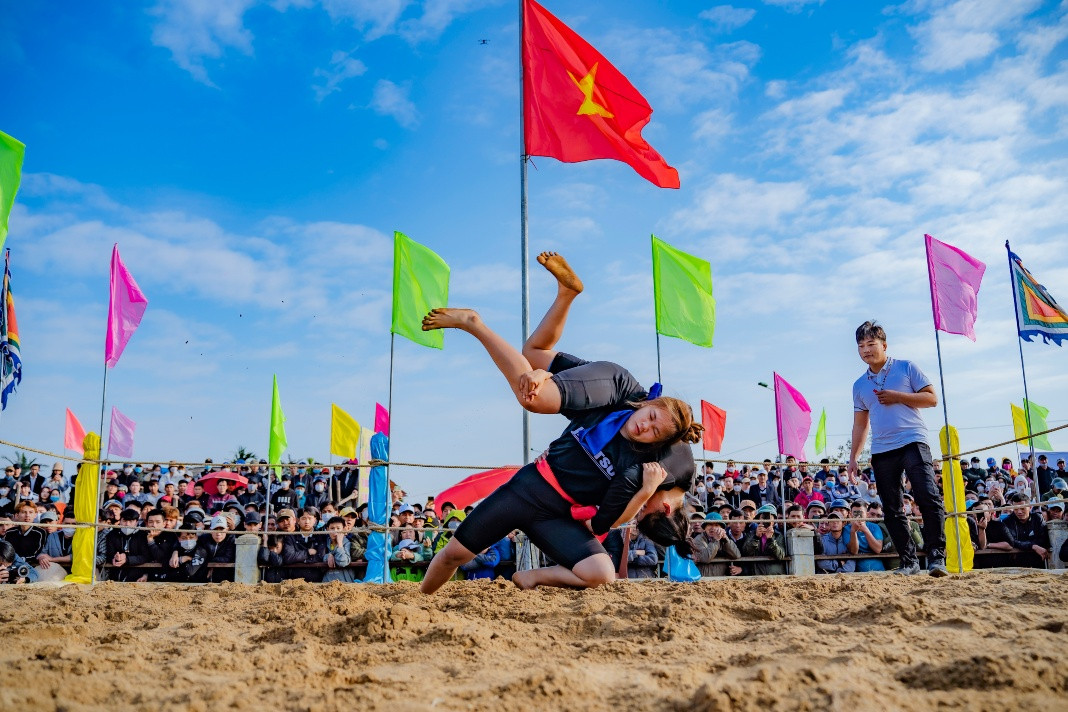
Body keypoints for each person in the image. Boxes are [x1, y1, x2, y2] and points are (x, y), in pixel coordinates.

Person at [419, 252, 702, 594]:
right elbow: (626, 504)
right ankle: (474, 323)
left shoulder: (643, 466)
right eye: (645, 512)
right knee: (533, 397)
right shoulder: (676, 464)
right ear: (668, 506)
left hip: (558, 509)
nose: (639, 512)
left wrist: (641, 493)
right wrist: (545, 380)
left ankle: (567, 294)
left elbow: (608, 520)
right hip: (615, 394)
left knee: (534, 352)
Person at [848, 321, 947, 577]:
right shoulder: (859, 385)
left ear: (884, 344)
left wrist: (898, 396)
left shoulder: (906, 367)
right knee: (891, 507)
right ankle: (909, 562)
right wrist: (853, 458)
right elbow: (860, 425)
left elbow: (932, 398)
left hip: (913, 439)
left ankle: (937, 558)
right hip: (882, 448)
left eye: (871, 344)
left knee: (927, 495)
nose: (866, 350)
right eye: (861, 346)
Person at [691, 512, 740, 576]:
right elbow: (705, 558)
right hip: (704, 578)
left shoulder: (724, 539)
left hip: (721, 578)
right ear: (705, 527)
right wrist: (715, 540)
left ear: (721, 528)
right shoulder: (698, 539)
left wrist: (726, 540)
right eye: (710, 525)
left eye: (716, 525)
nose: (713, 528)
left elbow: (736, 555)